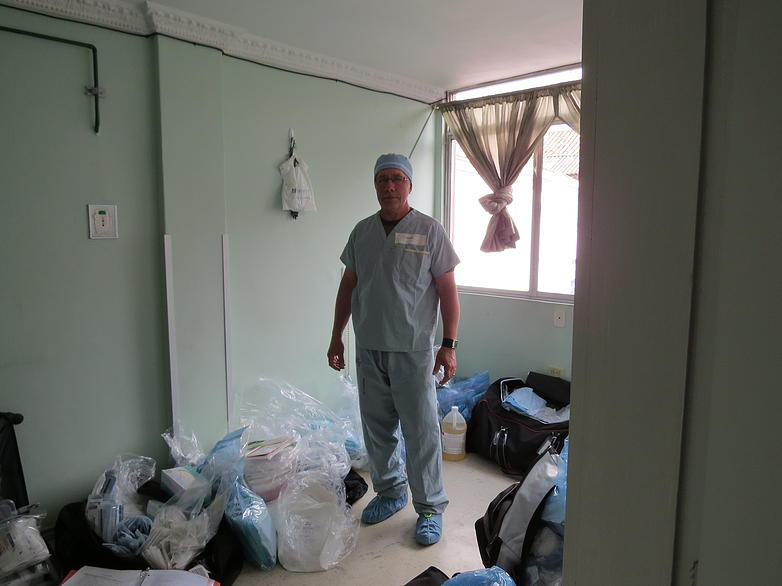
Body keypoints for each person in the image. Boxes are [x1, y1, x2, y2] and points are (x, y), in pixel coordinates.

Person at [327, 153, 460, 546]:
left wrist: (448, 345)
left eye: (397, 179)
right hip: (369, 347)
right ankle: (390, 491)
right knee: (377, 429)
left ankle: (430, 506)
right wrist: (336, 335)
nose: (389, 186)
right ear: (375, 185)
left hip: (413, 350)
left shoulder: (430, 231)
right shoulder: (361, 233)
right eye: (382, 179)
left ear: (409, 185)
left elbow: (448, 291)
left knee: (421, 432)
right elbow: (348, 286)